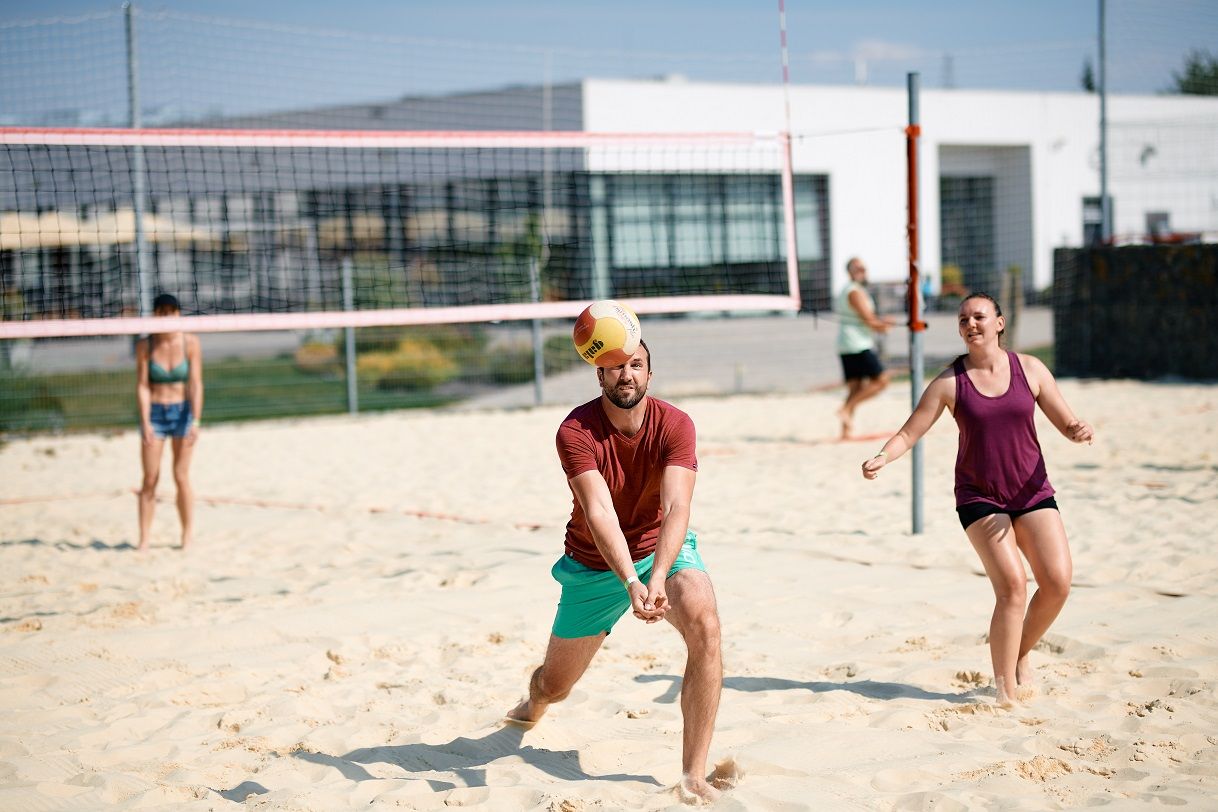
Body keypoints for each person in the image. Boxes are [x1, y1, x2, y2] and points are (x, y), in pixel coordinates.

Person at [505, 339, 725, 803]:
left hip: (660, 548)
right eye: (615, 367)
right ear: (599, 375)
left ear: (649, 372)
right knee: (554, 685)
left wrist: (658, 576)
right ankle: (533, 703)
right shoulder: (575, 429)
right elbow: (599, 510)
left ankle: (693, 774)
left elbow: (677, 505)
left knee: (705, 623)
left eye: (635, 365)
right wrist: (630, 582)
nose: (626, 374)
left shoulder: (676, 424)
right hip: (594, 563)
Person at [861, 293, 1092, 706]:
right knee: (1013, 587)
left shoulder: (1031, 369)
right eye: (964, 318)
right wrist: (883, 456)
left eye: (980, 316)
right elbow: (910, 432)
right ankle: (1006, 691)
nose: (971, 323)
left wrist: (1077, 430)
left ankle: (1019, 650)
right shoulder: (950, 382)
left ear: (999, 323)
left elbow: (1064, 419)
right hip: (979, 497)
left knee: (1057, 582)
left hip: (1031, 490)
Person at [134, 293, 203, 551]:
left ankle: (187, 537)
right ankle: (144, 540)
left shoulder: (191, 343)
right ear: (155, 315)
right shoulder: (146, 345)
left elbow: (196, 383)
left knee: (181, 476)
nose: (167, 315)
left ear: (178, 313)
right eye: (161, 311)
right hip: (155, 413)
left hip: (183, 412)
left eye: (171, 311)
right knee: (150, 477)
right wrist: (145, 423)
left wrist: (196, 419)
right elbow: (142, 386)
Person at [835, 257, 897, 438]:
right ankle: (845, 409)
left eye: (863, 268)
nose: (862, 271)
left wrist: (881, 323)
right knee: (881, 381)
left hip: (847, 343)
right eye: (858, 268)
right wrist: (884, 325)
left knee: (854, 389)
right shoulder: (854, 292)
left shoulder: (851, 290)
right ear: (849, 271)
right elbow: (868, 319)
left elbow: (868, 319)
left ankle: (845, 432)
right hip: (857, 344)